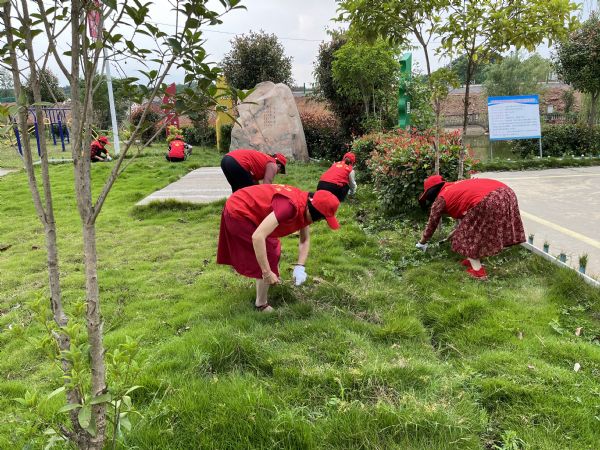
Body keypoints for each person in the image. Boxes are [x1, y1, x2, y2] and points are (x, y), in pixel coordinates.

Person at [217, 184, 341, 312]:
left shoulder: (306, 204)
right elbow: (258, 237)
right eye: (319, 218)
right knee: (269, 252)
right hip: (239, 210)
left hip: (248, 205)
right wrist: (267, 273)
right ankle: (261, 304)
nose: (318, 221)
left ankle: (267, 281)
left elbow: (304, 240)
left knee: (273, 248)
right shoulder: (290, 207)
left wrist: (300, 266)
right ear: (311, 210)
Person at [416, 175, 525, 280]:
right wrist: (457, 230)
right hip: (507, 193)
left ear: (431, 193)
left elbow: (431, 225)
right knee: (477, 231)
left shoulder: (441, 198)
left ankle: (478, 272)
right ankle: (471, 259)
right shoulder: (455, 185)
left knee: (466, 238)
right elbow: (470, 213)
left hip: (489, 199)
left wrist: (422, 243)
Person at [220, 148, 287, 192]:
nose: (277, 173)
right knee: (249, 193)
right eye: (280, 171)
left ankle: (233, 207)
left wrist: (257, 191)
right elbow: (266, 185)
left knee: (237, 190)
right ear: (279, 165)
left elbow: (254, 182)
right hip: (237, 162)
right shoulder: (273, 164)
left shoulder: (264, 159)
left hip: (225, 160)